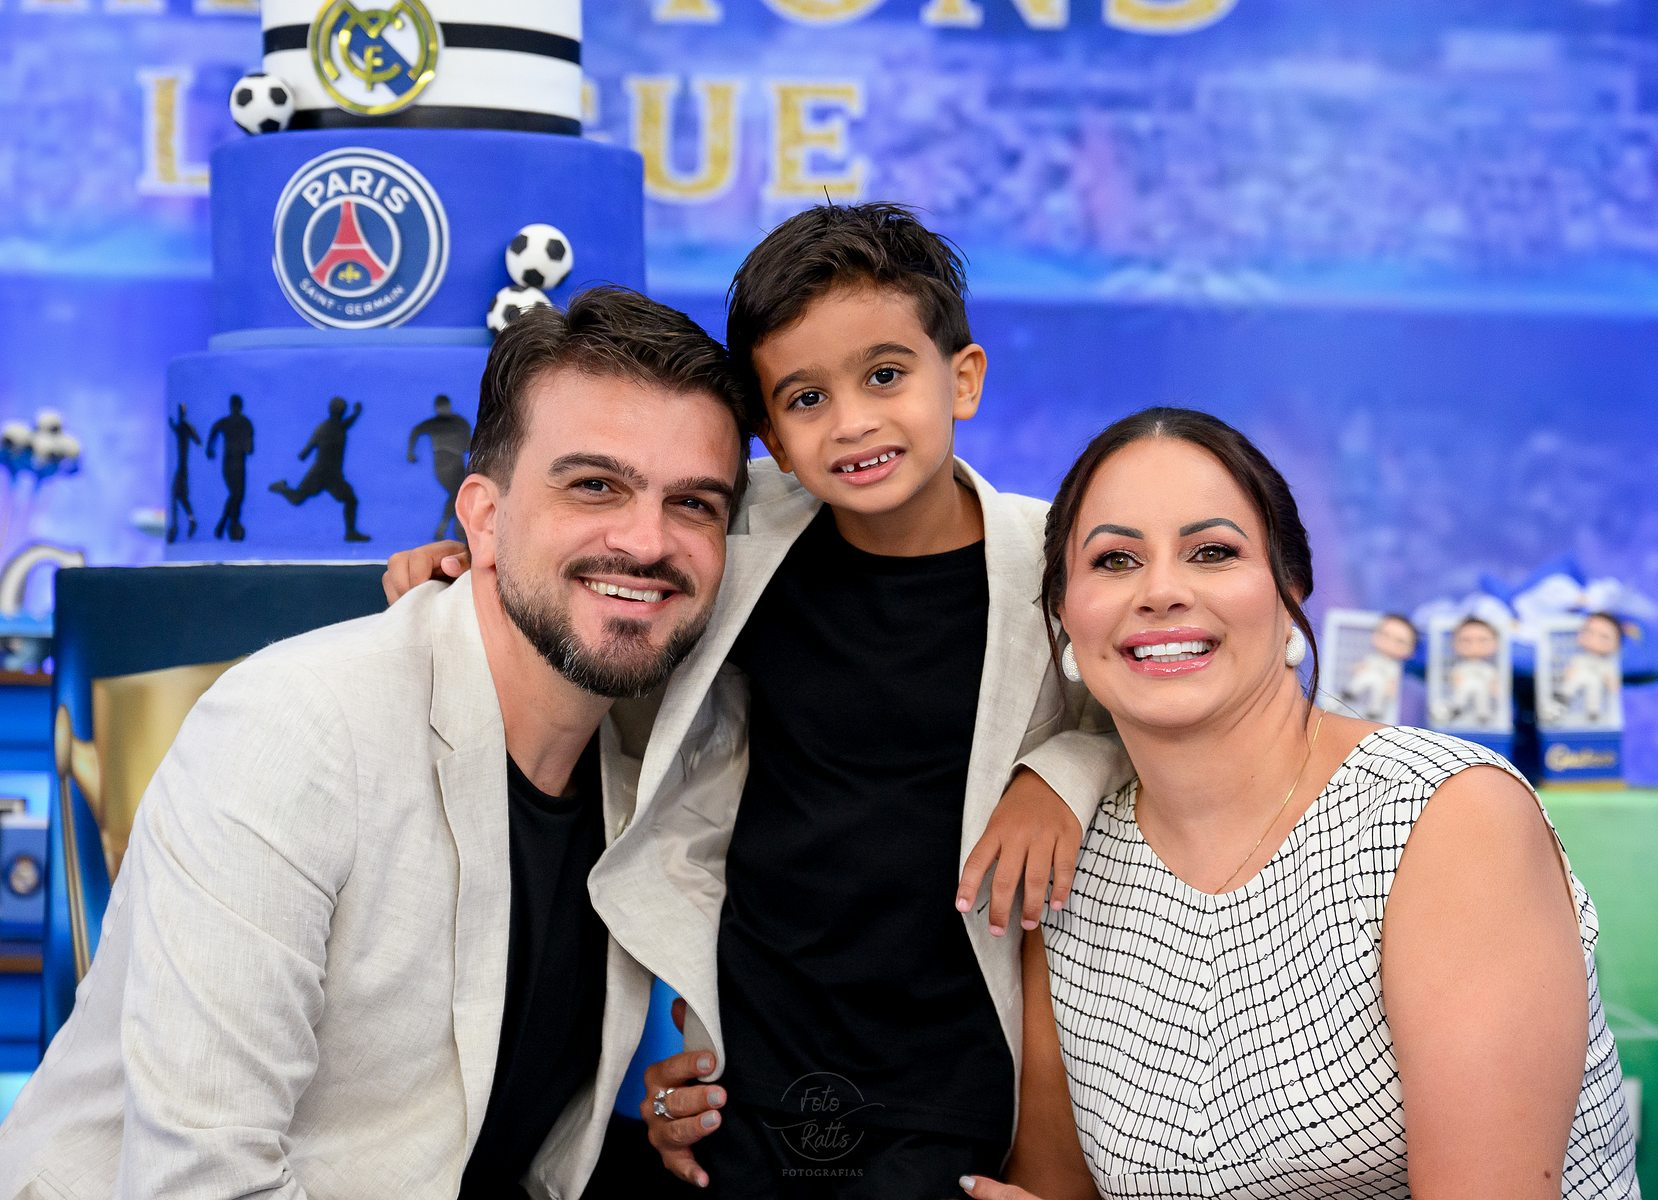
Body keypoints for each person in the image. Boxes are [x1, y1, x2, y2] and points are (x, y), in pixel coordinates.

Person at [385, 203, 1128, 1198]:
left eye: (884, 375)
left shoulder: (1056, 556)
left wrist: (1059, 774)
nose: (851, 421)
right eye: (805, 397)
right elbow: (596, 582)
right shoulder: (740, 536)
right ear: (768, 436)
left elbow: (1160, 710)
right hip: (756, 1051)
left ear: (962, 377)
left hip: (944, 1062)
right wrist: (471, 564)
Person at [0, 288, 750, 1200]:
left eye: (695, 503)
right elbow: (200, 1182)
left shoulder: (660, 762)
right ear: (483, 517)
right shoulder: (298, 727)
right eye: (594, 485)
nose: (647, 540)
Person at [960, 407, 1638, 1200]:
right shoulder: (1074, 867)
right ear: (1063, 612)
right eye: (1115, 560)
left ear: (1290, 591)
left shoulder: (1442, 816)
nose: (1162, 591)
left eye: (1213, 552)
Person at [269, 395, 370, 542]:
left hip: (331, 475)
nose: (341, 413)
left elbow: (304, 453)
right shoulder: (331, 428)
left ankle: (350, 533)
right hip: (321, 473)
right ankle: (281, 487)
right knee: (298, 499)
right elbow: (305, 452)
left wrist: (356, 413)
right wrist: (356, 412)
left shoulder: (331, 427)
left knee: (350, 500)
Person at [408, 393, 473, 541]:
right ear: (436, 408)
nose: (443, 409)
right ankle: (451, 527)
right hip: (442, 463)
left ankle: (452, 527)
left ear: (449, 406)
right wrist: (411, 452)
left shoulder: (460, 422)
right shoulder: (434, 423)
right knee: (458, 492)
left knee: (460, 493)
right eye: (440, 407)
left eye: (445, 406)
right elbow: (416, 431)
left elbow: (468, 444)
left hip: (457, 462)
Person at [1545, 611, 1622, 727]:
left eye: (1604, 637)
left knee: (1594, 684)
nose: (1594, 640)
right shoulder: (1580, 658)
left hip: (1594, 684)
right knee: (1575, 682)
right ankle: (1561, 701)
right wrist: (1568, 675)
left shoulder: (1606, 664)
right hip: (1579, 680)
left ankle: (1593, 711)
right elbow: (1570, 672)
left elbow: (1613, 684)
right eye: (1589, 632)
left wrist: (1611, 683)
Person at [1337, 611, 1415, 722]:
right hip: (1367, 682)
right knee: (1365, 678)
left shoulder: (1393, 667)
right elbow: (1362, 667)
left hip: (1380, 686)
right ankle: (1349, 693)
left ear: (1410, 649)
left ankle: (1374, 711)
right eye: (1385, 635)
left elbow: (1393, 681)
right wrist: (1358, 668)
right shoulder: (1372, 658)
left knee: (1377, 688)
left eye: (1400, 641)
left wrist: (1392, 688)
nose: (1390, 643)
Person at [1431, 614, 1505, 729]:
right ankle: (1455, 707)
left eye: (1483, 640)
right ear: (1453, 643)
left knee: (1481, 693)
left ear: (1496, 643)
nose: (1474, 646)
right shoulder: (1457, 668)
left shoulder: (1490, 669)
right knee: (1463, 691)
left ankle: (1483, 713)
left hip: (1489, 715)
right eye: (1466, 640)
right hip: (1455, 724)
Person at [206, 393, 255, 541]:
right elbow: (250, 447)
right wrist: (210, 447)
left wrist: (210, 447)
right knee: (237, 495)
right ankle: (225, 524)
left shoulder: (229, 422)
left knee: (236, 495)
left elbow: (214, 430)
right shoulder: (245, 422)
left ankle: (230, 525)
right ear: (240, 406)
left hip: (230, 465)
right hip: (237, 465)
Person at [166, 401, 199, 542]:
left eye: (182, 411)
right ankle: (190, 521)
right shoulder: (181, 427)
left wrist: (190, 430)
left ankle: (175, 527)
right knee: (180, 496)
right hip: (181, 468)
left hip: (182, 468)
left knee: (176, 495)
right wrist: (172, 425)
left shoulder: (185, 427)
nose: (180, 413)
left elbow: (197, 440)